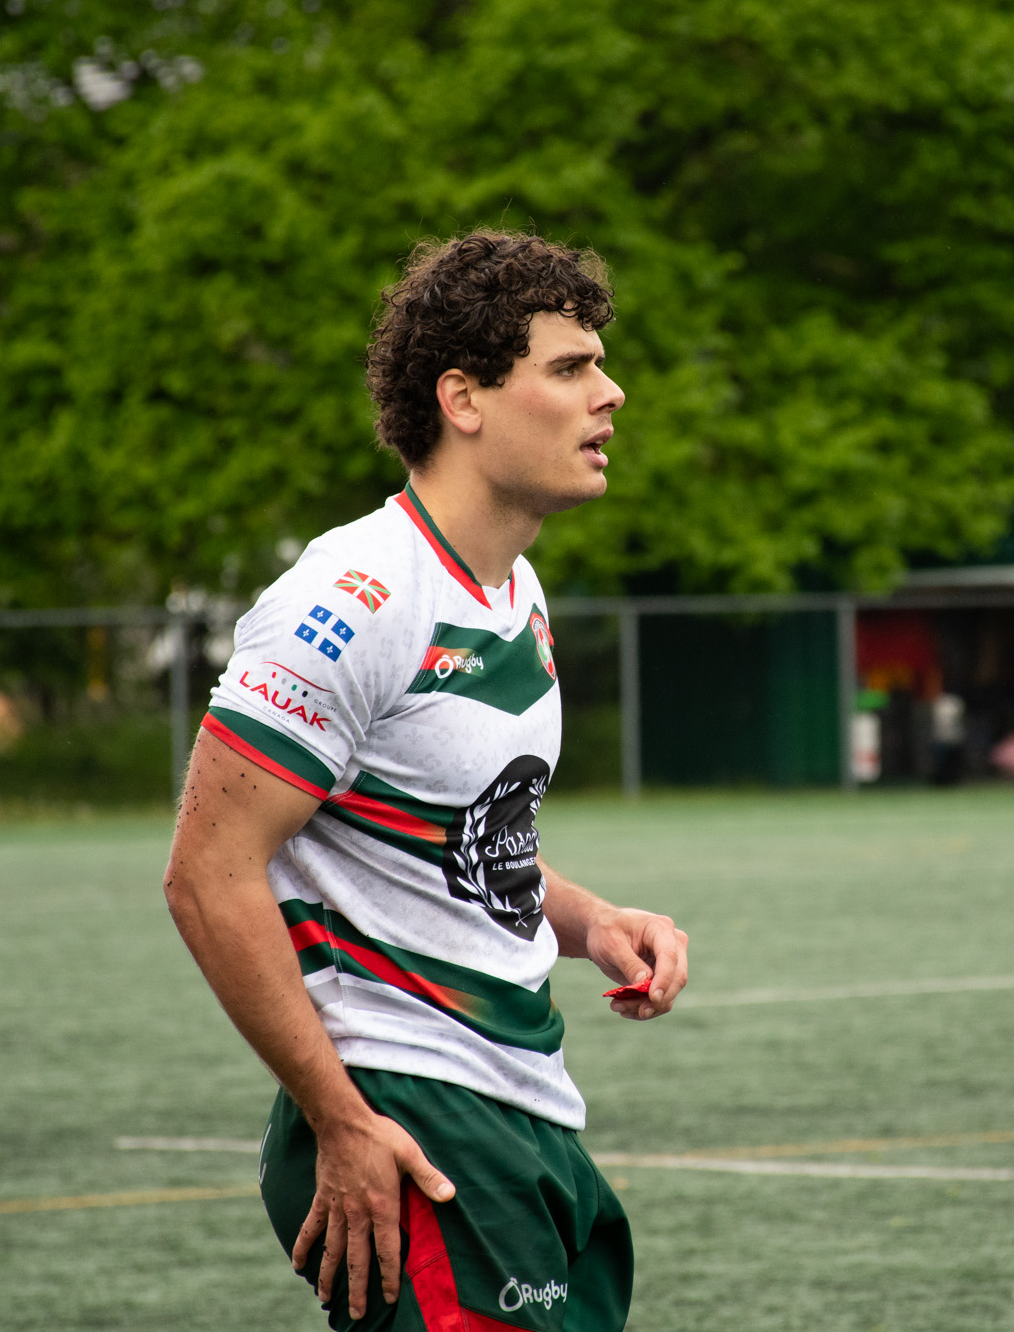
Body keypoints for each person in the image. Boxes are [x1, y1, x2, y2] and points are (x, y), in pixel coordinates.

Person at [162, 230, 689, 1331]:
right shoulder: (352, 597)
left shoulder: (513, 590)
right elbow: (209, 874)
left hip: (520, 1105)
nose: (611, 392)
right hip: (412, 1112)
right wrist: (339, 1120)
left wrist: (591, 922)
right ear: (463, 398)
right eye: (569, 367)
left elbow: (450, 836)